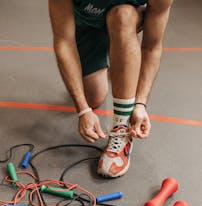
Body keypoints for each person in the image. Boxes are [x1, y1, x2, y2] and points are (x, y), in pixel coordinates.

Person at [48, 0, 173, 177]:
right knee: (93, 98)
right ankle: (118, 50)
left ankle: (121, 130)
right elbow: (64, 42)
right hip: (87, 26)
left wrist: (139, 104)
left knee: (123, 16)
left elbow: (151, 47)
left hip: (124, 18)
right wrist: (83, 109)